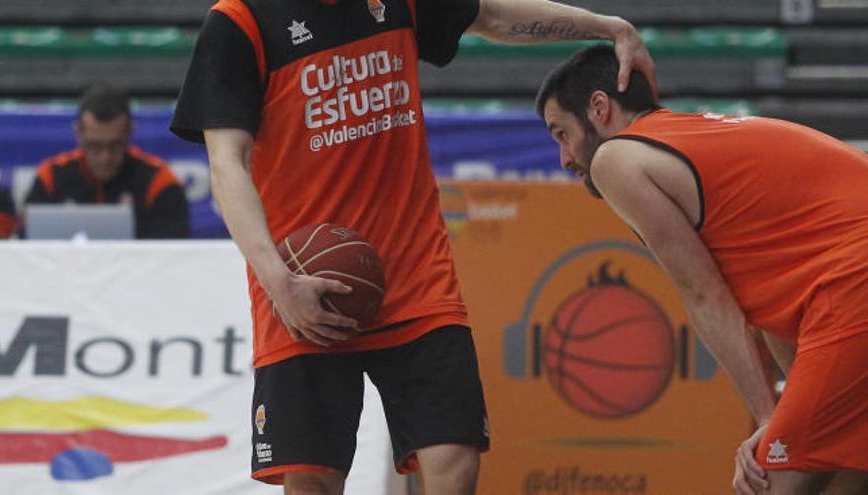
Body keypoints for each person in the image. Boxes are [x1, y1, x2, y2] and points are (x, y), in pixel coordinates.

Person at [170, 1, 654, 493]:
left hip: (415, 273)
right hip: (303, 281)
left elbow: (489, 16)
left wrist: (606, 25)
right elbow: (227, 162)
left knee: (454, 460)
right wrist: (278, 281)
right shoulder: (240, 21)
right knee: (312, 480)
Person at [536, 44, 868, 495]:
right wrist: (782, 407)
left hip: (854, 281)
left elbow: (705, 295)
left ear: (599, 107)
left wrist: (769, 419)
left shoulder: (618, 158)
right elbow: (774, 302)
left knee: (767, 481)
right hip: (846, 281)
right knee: (848, 475)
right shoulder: (689, 135)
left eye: (561, 133)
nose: (564, 158)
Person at [26, 84, 190, 239]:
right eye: (94, 146)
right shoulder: (51, 178)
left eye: (115, 145)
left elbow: (173, 255)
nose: (105, 157)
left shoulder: (159, 182)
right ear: (78, 133)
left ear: (129, 133)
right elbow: (24, 246)